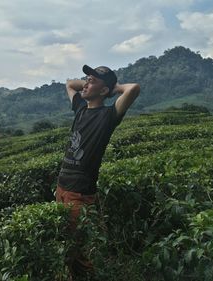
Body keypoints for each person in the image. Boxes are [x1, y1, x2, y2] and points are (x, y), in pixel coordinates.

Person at [56, 65, 140, 279]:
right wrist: (92, 82)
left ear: (104, 91)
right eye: (87, 78)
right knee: (65, 241)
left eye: (92, 81)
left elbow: (133, 89)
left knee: (78, 248)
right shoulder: (80, 108)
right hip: (62, 186)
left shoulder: (109, 116)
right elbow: (69, 83)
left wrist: (113, 88)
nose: (85, 83)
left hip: (79, 191)